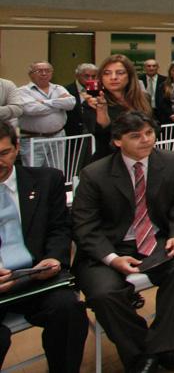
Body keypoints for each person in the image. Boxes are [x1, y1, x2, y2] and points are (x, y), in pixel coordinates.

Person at [72, 111, 174, 373]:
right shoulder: (95, 174)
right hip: (108, 247)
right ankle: (144, 351)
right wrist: (112, 259)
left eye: (149, 133)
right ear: (118, 141)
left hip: (155, 239)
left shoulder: (171, 161)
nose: (146, 140)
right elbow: (85, 226)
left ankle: (158, 347)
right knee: (103, 293)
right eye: (136, 136)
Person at [0, 121, 88, 373]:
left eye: (4, 153)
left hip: (35, 277)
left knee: (69, 310)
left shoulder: (46, 180)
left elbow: (59, 227)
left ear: (17, 148)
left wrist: (54, 258)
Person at [82, 55, 153, 162]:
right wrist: (102, 110)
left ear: (130, 76)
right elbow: (104, 137)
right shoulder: (93, 102)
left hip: (143, 158)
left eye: (120, 73)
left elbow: (154, 127)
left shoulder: (144, 98)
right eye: (107, 73)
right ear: (101, 77)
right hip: (109, 160)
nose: (113, 77)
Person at [14, 62, 75, 164]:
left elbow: (71, 103)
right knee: (34, 171)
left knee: (57, 170)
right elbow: (31, 109)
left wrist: (45, 102)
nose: (44, 73)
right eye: (39, 71)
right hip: (33, 139)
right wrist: (59, 105)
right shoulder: (22, 91)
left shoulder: (58, 88)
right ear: (31, 74)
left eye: (47, 71)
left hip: (58, 137)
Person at [64, 62, 98, 137]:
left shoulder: (97, 90)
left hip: (93, 132)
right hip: (73, 133)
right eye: (86, 76)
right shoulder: (66, 90)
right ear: (77, 76)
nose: (90, 79)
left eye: (93, 76)